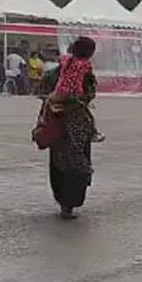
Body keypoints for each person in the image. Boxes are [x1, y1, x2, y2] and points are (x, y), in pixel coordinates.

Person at [40, 38, 102, 220]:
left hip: (56, 121)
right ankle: (70, 203)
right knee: (78, 163)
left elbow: (42, 90)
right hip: (77, 123)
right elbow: (90, 94)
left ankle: (63, 203)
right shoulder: (86, 70)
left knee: (59, 163)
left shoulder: (57, 70)